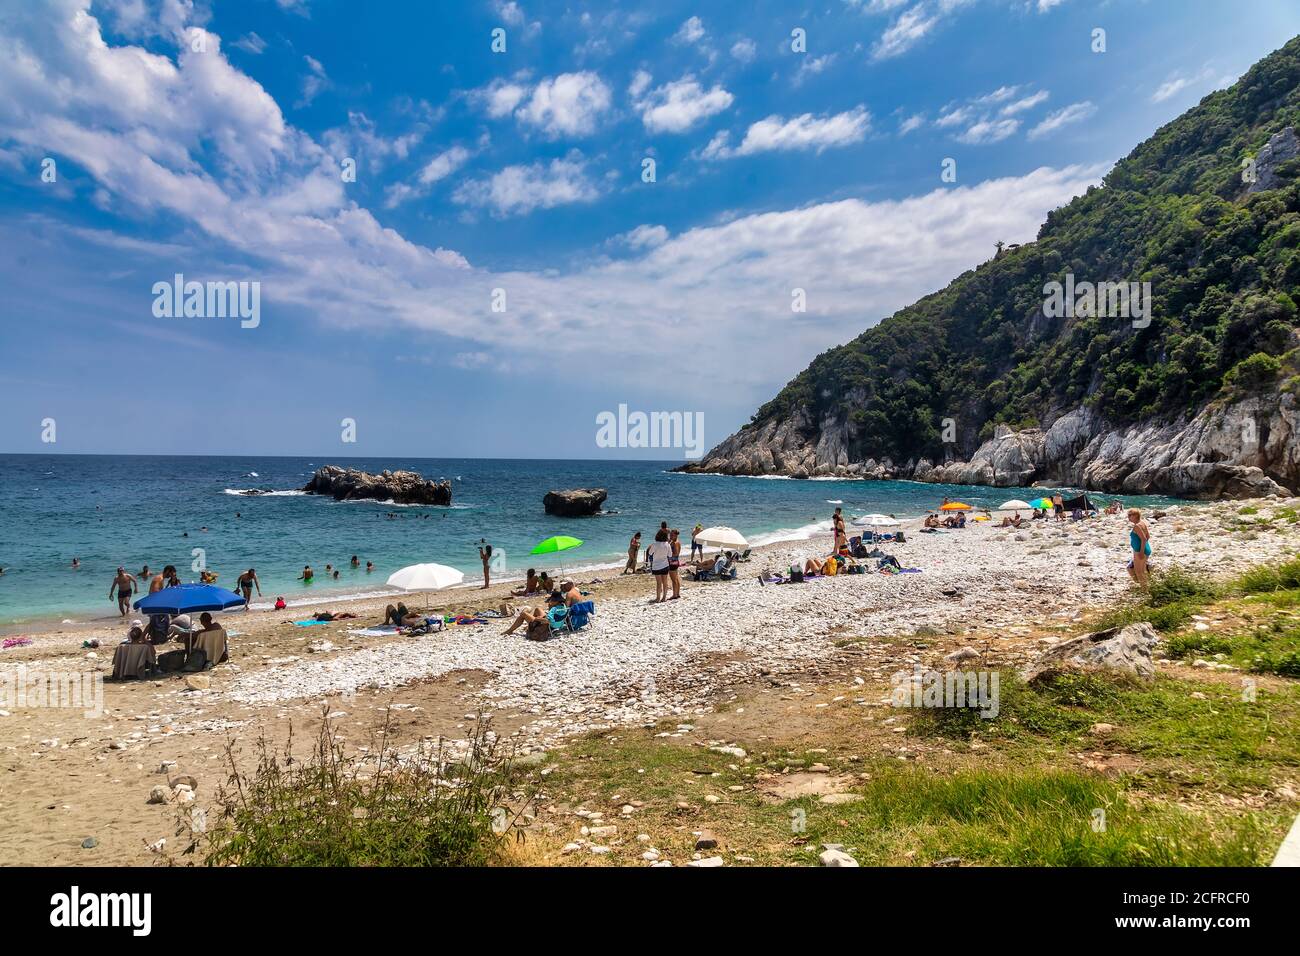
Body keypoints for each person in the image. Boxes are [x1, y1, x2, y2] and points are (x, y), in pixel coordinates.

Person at [1127, 508, 1152, 588]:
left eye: (1130, 515)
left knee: (1139, 571)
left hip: (1140, 551)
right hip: (1145, 549)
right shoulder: (1143, 523)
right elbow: (1148, 536)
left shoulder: (1137, 526)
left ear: (1135, 515)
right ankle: (1147, 587)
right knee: (1142, 571)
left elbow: (1144, 539)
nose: (1128, 517)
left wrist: (1141, 551)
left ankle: (1145, 590)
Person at [646, 529, 672, 603]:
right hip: (665, 565)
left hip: (656, 566)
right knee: (665, 582)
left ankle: (658, 598)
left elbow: (650, 553)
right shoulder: (668, 544)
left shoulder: (655, 544)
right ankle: (664, 598)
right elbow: (670, 555)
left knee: (658, 583)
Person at [668, 529, 683, 600]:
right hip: (675, 562)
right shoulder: (674, 542)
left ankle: (674, 595)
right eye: (670, 534)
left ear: (675, 535)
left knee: (673, 579)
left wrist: (668, 555)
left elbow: (676, 553)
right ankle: (677, 593)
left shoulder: (675, 543)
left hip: (672, 562)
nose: (670, 536)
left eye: (672, 535)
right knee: (676, 578)